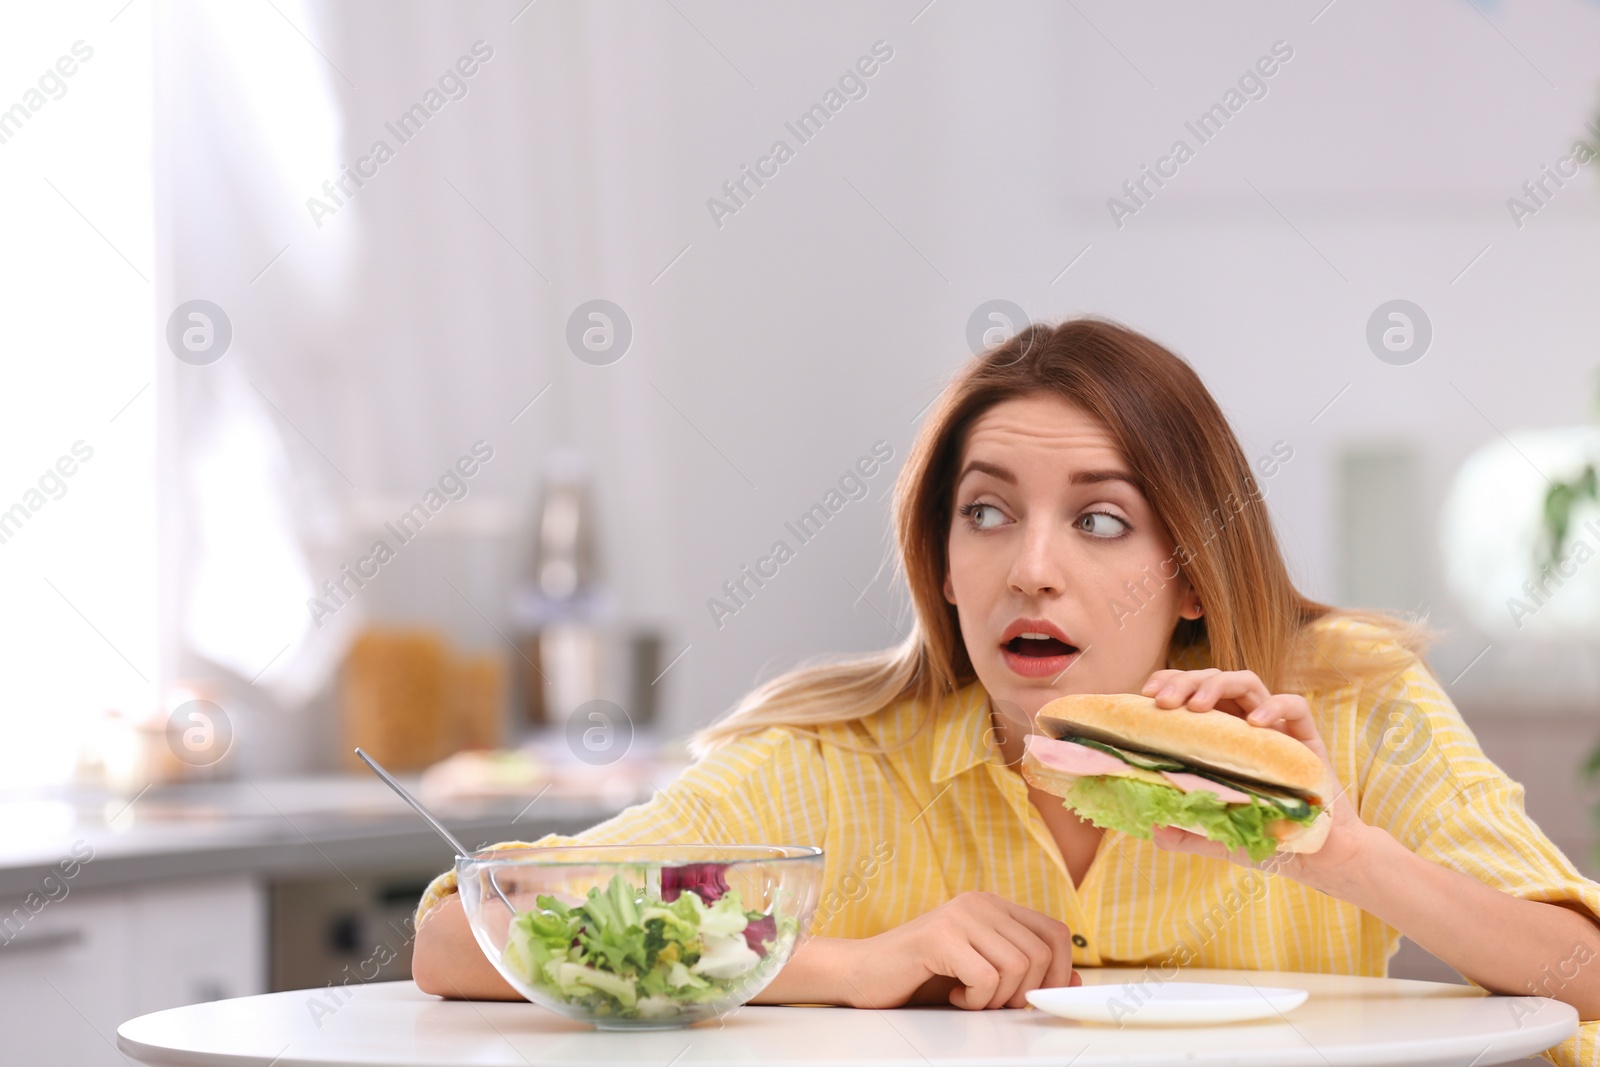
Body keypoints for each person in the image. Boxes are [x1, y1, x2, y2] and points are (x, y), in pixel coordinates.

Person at [411, 318, 1600, 1066]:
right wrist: (851, 960)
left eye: (1099, 519)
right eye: (985, 512)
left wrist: (1336, 850)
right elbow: (466, 930)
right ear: (939, 557)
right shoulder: (839, 758)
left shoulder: (1347, 703)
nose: (1031, 565)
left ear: (1187, 567)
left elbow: (1582, 976)